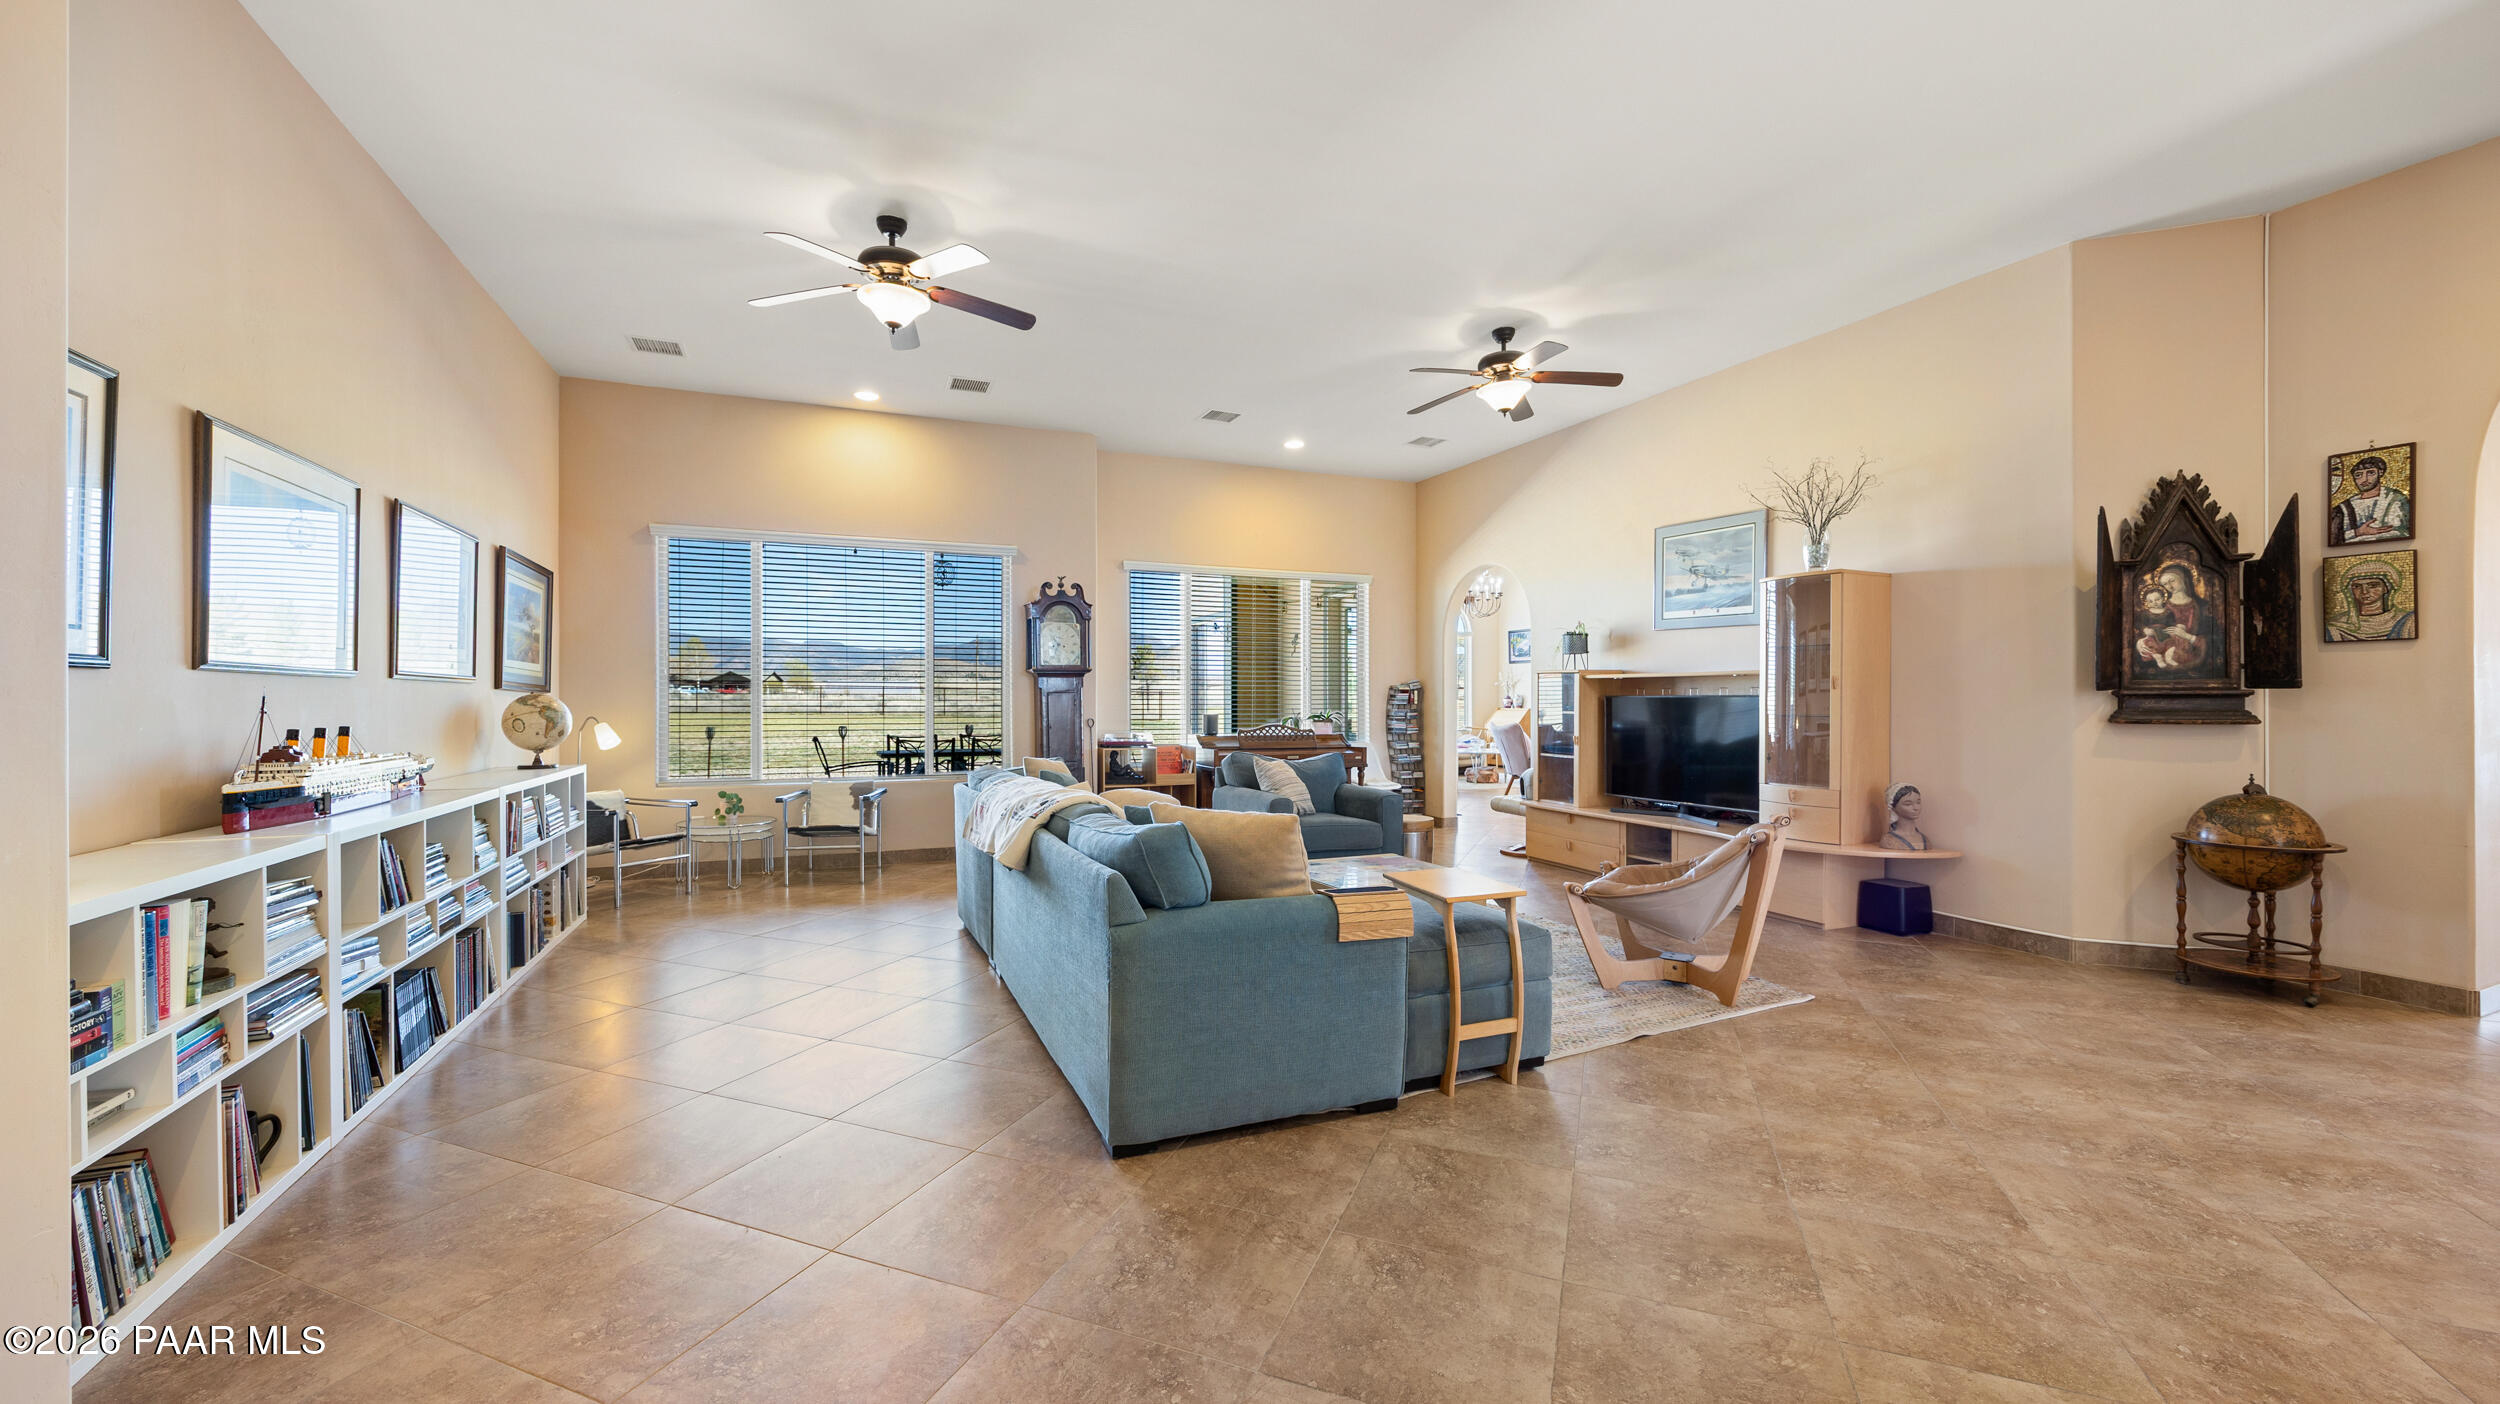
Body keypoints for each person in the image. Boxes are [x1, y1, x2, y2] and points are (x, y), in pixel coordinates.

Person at [2331, 454, 2412, 544]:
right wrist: (2358, 532)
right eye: (2358, 475)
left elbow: (2401, 533)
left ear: (2380, 472)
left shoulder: (2395, 499)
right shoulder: (2342, 508)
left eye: (2370, 473)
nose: (2364, 479)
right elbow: (2333, 538)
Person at [2326, 560, 2416, 641]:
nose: (2364, 592)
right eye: (2357, 586)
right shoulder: (2336, 626)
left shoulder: (2407, 621)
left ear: (2386, 588)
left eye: (2372, 585)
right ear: (2350, 591)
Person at [1880, 782, 1928, 851]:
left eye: (1918, 802)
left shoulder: (1925, 839)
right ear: (1894, 808)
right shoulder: (1889, 840)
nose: (1916, 808)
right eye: (1908, 804)